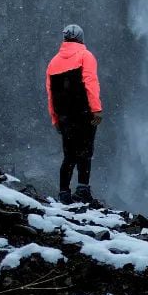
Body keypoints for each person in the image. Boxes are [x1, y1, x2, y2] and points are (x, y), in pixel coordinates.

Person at [45, 23, 103, 204]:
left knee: (69, 154)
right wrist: (96, 109)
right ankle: (83, 189)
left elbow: (50, 94)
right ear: (81, 38)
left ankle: (63, 193)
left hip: (64, 117)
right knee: (85, 151)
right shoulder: (86, 56)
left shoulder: (53, 62)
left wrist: (55, 118)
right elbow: (90, 83)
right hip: (84, 113)